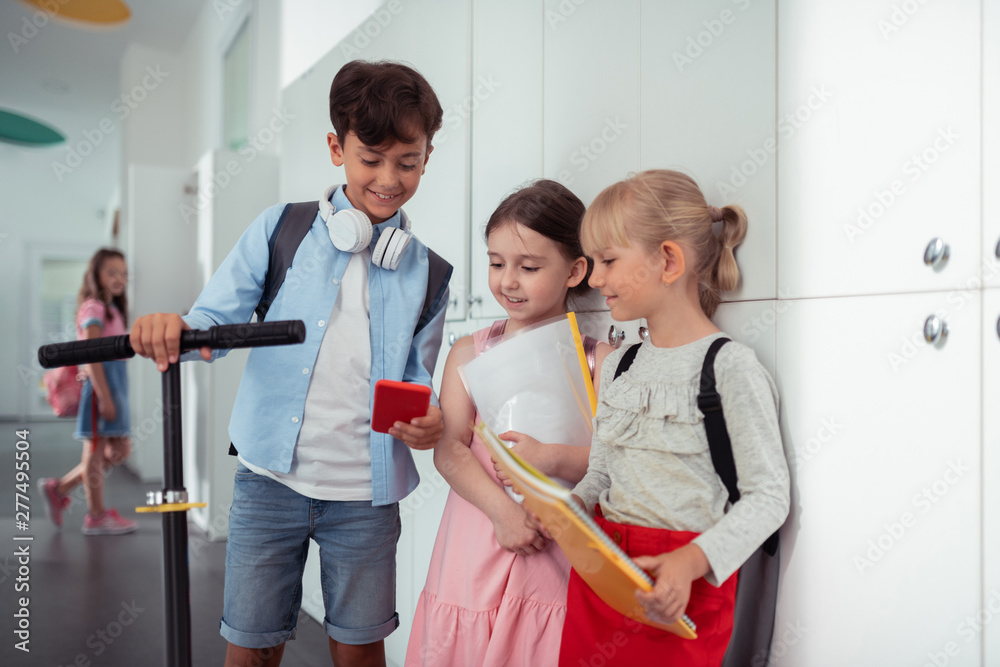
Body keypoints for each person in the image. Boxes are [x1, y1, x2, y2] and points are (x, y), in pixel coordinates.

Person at [129, 60, 449, 667]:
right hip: (267, 482)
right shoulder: (280, 229)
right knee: (251, 647)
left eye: (407, 163)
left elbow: (417, 382)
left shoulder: (429, 272)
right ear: (336, 147)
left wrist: (428, 420)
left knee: (359, 648)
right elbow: (210, 329)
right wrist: (174, 326)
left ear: (427, 157)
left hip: (367, 495)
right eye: (370, 159)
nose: (388, 178)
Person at [559, 170, 790, 666]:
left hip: (680, 586)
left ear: (667, 261)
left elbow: (769, 498)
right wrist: (569, 510)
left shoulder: (729, 367)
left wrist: (690, 563)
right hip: (602, 579)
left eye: (608, 261)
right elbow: (601, 471)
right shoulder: (619, 364)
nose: (595, 279)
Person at [406, 179, 613, 666]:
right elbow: (450, 448)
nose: (507, 281)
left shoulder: (598, 362)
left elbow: (611, 461)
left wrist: (555, 457)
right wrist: (503, 514)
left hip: (554, 552)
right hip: (477, 539)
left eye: (529, 267)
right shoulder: (468, 352)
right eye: (497, 264)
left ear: (575, 270)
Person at [39, 248, 138, 535]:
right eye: (112, 272)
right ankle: (96, 516)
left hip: (116, 383)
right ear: (96, 275)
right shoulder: (94, 308)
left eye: (124, 273)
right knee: (95, 453)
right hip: (102, 386)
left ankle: (59, 488)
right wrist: (105, 396)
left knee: (118, 450)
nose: (119, 278)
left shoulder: (112, 308)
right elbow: (91, 353)